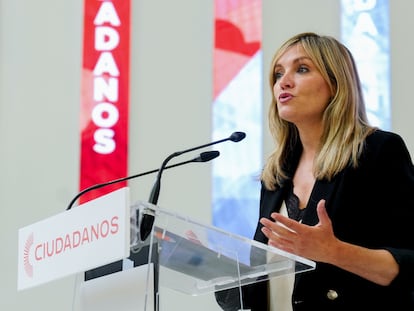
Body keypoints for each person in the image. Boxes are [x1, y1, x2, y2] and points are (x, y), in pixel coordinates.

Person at [215, 32, 414, 310]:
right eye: (278, 73)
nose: (283, 82)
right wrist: (211, 267)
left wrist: (334, 252)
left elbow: (409, 264)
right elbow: (272, 286)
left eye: (302, 69)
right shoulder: (276, 174)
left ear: (336, 84)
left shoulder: (378, 151)